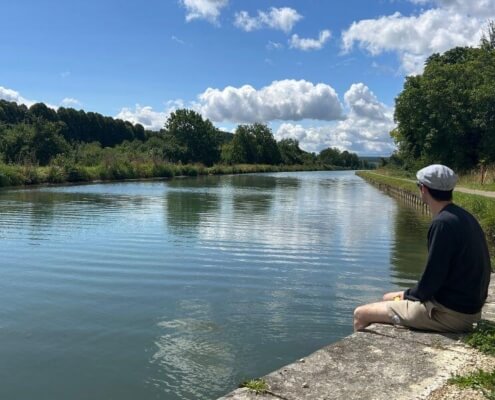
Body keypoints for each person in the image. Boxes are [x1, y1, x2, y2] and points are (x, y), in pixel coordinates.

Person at [353, 164, 492, 332]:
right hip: (468, 307)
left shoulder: (442, 224)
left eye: (418, 186)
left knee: (361, 313)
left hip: (450, 314)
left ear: (424, 189)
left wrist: (408, 295)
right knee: (387, 297)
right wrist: (407, 295)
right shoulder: (462, 216)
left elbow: (430, 282)